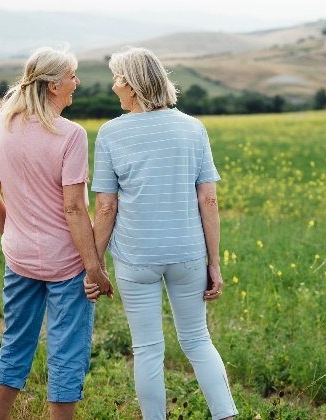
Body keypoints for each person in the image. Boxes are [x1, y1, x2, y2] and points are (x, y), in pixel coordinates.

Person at [84, 46, 238, 420]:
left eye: (118, 79)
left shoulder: (111, 134)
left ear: (133, 87)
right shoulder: (193, 127)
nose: (114, 86)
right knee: (198, 340)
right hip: (188, 254)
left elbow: (106, 207)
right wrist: (214, 263)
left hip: (136, 257)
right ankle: (226, 414)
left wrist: (95, 265)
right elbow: (209, 201)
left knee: (148, 349)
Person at [0, 44, 113, 420]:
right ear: (54, 85)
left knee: (15, 343)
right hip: (67, 264)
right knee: (66, 352)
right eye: (72, 76)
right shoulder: (70, 135)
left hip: (18, 258)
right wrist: (94, 268)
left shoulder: (1, 125)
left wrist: (12, 235)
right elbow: (74, 208)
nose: (77, 82)